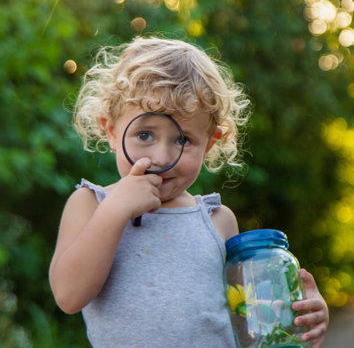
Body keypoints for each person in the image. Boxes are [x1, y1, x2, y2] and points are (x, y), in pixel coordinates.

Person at [49, 37, 328, 347]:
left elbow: (250, 318)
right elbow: (69, 296)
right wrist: (115, 210)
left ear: (210, 143)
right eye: (144, 134)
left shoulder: (218, 220)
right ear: (112, 131)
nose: (162, 157)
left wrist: (302, 313)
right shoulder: (90, 203)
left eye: (183, 140)